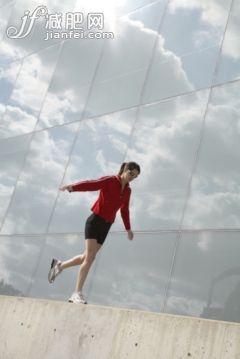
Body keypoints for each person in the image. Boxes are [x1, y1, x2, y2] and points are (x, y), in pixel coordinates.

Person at [48, 161, 140, 304]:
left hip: (106, 226)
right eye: (131, 173)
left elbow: (124, 210)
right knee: (90, 257)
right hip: (95, 221)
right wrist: (72, 187)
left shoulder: (128, 191)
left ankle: (59, 266)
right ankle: (76, 293)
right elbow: (91, 184)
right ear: (125, 170)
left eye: (135, 177)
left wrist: (128, 229)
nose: (132, 178)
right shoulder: (110, 180)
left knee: (86, 257)